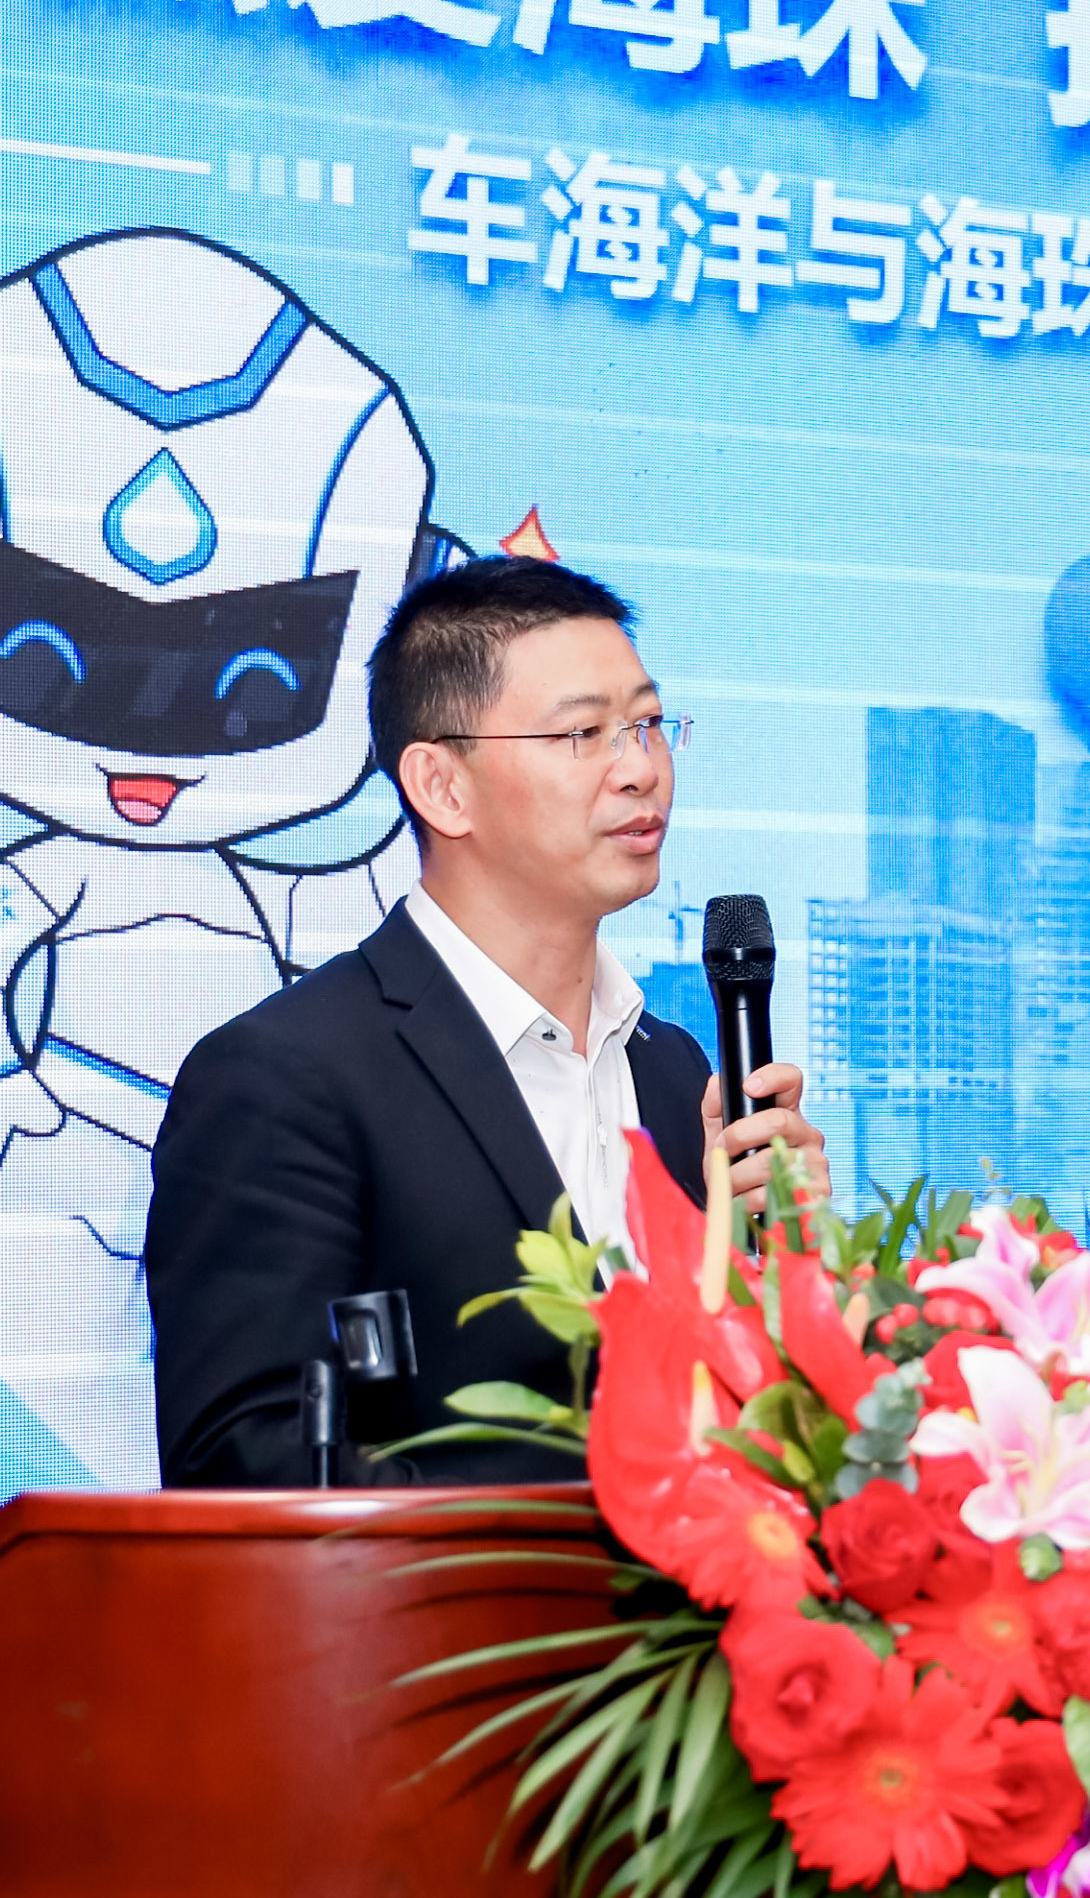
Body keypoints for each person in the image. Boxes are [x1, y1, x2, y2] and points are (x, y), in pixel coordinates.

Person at [144, 556, 827, 1486]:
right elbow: (246, 1467)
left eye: (648, 725)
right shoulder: (285, 1080)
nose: (641, 770)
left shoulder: (678, 1077)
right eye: (583, 733)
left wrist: (779, 1258)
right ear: (442, 786)